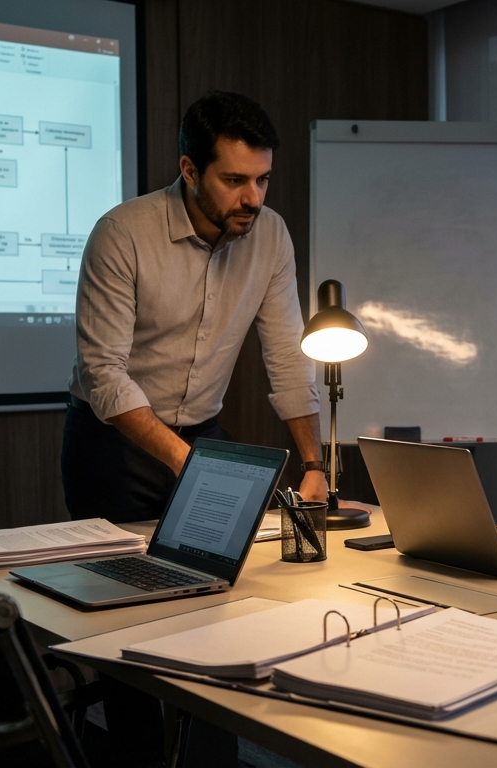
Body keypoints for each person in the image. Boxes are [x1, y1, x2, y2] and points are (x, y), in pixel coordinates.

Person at [62, 91, 328, 524]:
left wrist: (313, 465)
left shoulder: (272, 235)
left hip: (202, 438)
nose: (254, 199)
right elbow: (103, 373)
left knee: (216, 580)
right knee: (120, 581)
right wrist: (186, 461)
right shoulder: (121, 234)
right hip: (113, 446)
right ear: (190, 170)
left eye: (262, 179)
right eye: (235, 180)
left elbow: (286, 355)